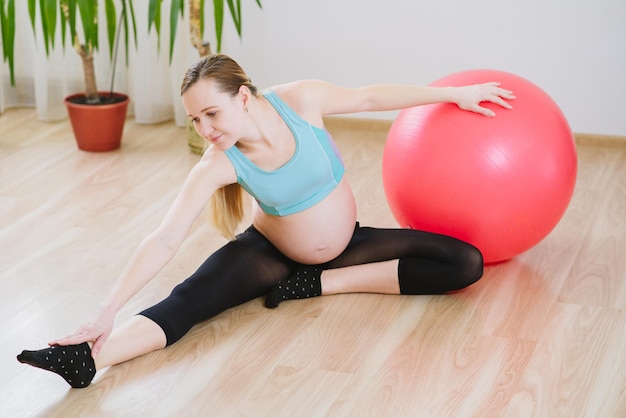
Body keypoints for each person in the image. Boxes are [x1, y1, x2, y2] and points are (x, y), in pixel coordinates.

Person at [17, 54, 515, 388]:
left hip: (351, 245)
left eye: (212, 113)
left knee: (463, 263)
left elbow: (368, 97)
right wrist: (103, 313)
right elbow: (165, 237)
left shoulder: (299, 101)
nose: (205, 130)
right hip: (266, 255)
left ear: (245, 98)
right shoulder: (218, 163)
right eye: (195, 120)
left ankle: (321, 283)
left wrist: (452, 94)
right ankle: (87, 361)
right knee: (188, 301)